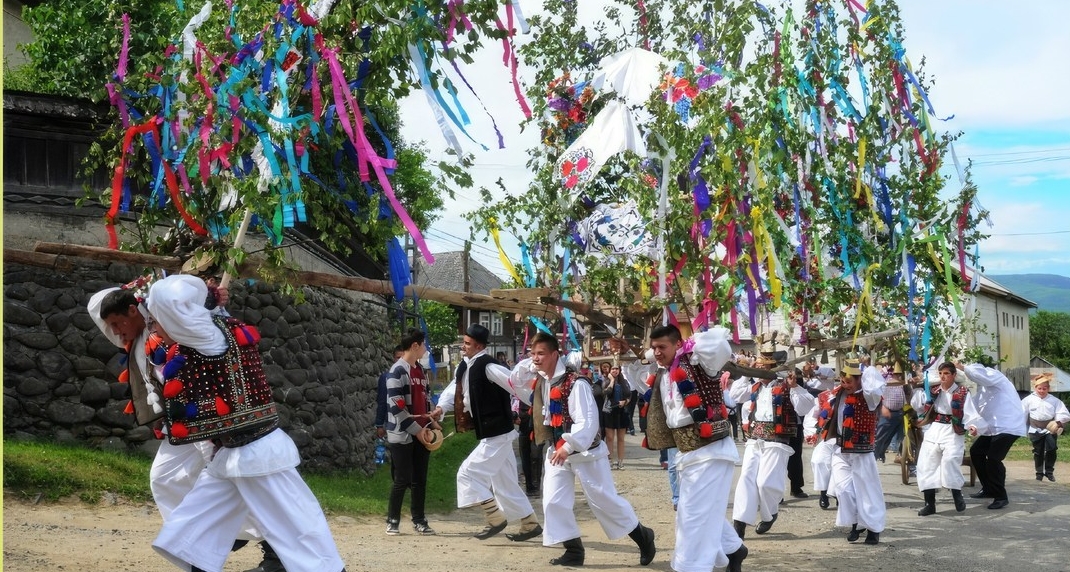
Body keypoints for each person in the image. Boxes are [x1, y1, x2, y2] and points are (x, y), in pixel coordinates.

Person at [146, 275, 345, 572]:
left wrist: (208, 299)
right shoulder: (210, 330)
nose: (155, 329)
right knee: (196, 526)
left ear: (173, 315)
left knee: (301, 529)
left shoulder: (207, 336)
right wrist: (211, 301)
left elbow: (189, 319)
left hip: (259, 454)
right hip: (231, 455)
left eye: (156, 320)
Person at [91, 281, 286, 572]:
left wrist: (210, 298)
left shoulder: (171, 322)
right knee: (164, 478)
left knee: (235, 482)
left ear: (133, 310)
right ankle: (209, 540)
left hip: (207, 420)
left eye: (118, 323)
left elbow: (186, 303)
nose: (115, 332)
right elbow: (103, 306)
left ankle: (270, 551)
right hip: (180, 425)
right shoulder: (138, 336)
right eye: (110, 327)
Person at [521, 332, 656, 567]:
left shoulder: (577, 383)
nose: (535, 358)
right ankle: (573, 550)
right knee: (553, 501)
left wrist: (569, 445)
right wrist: (561, 448)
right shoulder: (543, 381)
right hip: (557, 452)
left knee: (604, 501)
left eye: (541, 353)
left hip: (586, 453)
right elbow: (516, 380)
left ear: (555, 355)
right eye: (533, 353)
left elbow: (588, 422)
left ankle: (643, 536)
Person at [645, 325, 747, 572]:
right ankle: (734, 548)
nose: (657, 352)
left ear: (679, 345)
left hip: (711, 450)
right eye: (654, 347)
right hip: (687, 453)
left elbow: (720, 346)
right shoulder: (662, 372)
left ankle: (690, 567)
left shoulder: (699, 363)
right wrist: (656, 351)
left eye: (662, 347)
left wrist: (692, 343)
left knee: (691, 515)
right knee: (700, 510)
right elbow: (645, 363)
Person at [433, 324, 543, 541]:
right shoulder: (464, 366)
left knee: (467, 473)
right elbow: (454, 388)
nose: (463, 346)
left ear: (479, 346)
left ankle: (495, 518)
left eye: (467, 343)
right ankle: (530, 524)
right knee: (505, 483)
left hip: (497, 433)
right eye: (464, 342)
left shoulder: (489, 366)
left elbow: (513, 383)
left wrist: (538, 400)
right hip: (492, 433)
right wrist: (440, 408)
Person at [728, 355, 816, 537]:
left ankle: (770, 514)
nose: (760, 370)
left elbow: (805, 407)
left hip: (777, 440)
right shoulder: (754, 386)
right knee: (746, 479)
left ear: (772, 368)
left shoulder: (786, 386)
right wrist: (746, 373)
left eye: (763, 367)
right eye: (758, 367)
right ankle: (739, 523)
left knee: (765, 483)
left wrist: (794, 387)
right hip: (754, 439)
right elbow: (735, 395)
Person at [817, 359, 886, 545]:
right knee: (843, 489)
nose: (845, 385)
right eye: (843, 381)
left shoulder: (870, 397)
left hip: (861, 451)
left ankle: (873, 529)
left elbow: (875, 384)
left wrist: (865, 367)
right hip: (840, 449)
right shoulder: (836, 394)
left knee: (867, 490)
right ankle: (856, 523)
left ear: (859, 380)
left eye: (849, 382)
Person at [383, 329, 438, 535]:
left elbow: (426, 398)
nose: (425, 349)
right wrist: (417, 430)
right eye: (423, 345)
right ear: (415, 346)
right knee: (402, 479)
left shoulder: (421, 370)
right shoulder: (396, 371)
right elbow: (397, 408)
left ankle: (419, 520)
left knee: (419, 480)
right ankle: (392, 520)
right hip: (402, 434)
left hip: (423, 432)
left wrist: (432, 419)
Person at [913, 361, 982, 516]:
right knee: (926, 463)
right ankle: (929, 504)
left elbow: (969, 412)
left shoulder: (962, 392)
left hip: (953, 429)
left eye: (946, 373)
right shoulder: (933, 390)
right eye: (941, 373)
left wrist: (972, 425)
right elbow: (918, 405)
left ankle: (957, 495)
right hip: (935, 428)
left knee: (950, 461)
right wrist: (917, 387)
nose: (943, 377)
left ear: (953, 375)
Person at [959, 361, 1027, 510]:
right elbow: (973, 409)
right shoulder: (982, 391)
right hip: (993, 429)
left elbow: (979, 374)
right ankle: (988, 488)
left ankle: (1001, 496)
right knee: (976, 452)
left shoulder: (997, 377)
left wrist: (963, 368)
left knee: (993, 459)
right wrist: (974, 425)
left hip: (1008, 427)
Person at [1021, 373, 1069, 483]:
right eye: (1039, 388)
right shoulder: (1029, 400)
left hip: (1050, 428)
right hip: (1034, 428)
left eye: (1044, 388)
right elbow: (1022, 412)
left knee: (1052, 449)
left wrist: (1058, 422)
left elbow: (1062, 413)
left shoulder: (1054, 400)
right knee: (1038, 451)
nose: (1042, 391)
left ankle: (1049, 472)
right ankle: (1039, 473)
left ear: (1048, 388)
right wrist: (1021, 427)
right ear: (1035, 388)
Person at [806, 387, 837, 510]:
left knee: (839, 466)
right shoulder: (824, 397)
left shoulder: (856, 396)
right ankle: (823, 492)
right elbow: (811, 416)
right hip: (827, 437)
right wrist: (811, 433)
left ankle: (839, 494)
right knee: (818, 461)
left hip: (847, 439)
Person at [872, 362, 910, 463]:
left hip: (900, 413)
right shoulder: (885, 383)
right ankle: (874, 457)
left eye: (899, 374)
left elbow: (908, 395)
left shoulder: (903, 384)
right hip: (887, 413)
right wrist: (883, 407)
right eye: (896, 374)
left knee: (896, 437)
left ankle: (886, 454)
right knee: (880, 437)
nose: (898, 376)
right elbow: (878, 397)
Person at [602, 365, 633, 469]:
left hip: (622, 411)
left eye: (617, 369)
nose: (615, 370)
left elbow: (629, 395)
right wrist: (611, 380)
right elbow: (607, 392)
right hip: (610, 411)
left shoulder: (624, 382)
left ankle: (620, 461)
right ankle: (610, 460)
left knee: (621, 438)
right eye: (613, 369)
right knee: (610, 438)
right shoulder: (606, 381)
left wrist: (625, 401)